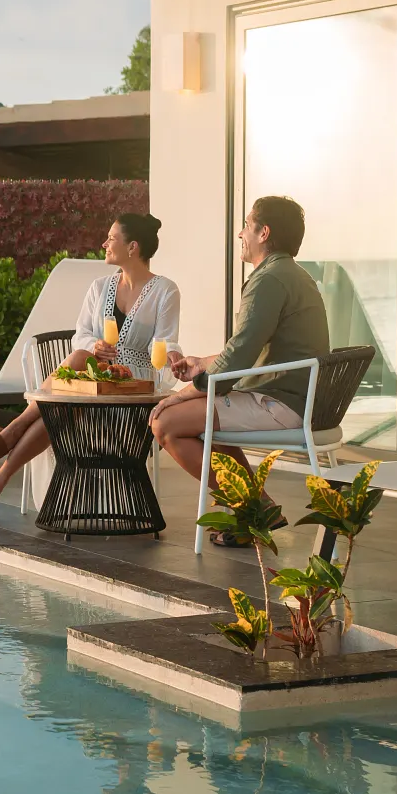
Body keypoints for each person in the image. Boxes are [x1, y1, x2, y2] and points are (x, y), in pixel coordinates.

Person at [0, 212, 180, 520]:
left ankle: (12, 437)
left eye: (111, 238)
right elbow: (81, 334)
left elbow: (166, 343)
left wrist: (172, 358)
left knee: (66, 396)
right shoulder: (98, 287)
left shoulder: (165, 291)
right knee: (69, 389)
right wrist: (95, 346)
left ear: (132, 247)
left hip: (133, 387)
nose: (104, 243)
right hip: (92, 383)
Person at [149, 195, 329, 544]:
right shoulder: (290, 274)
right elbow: (248, 349)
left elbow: (240, 356)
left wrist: (182, 394)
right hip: (290, 396)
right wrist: (202, 364)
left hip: (281, 403)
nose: (240, 233)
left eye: (246, 225)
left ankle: (254, 510)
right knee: (199, 418)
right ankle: (258, 508)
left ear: (263, 232)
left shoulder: (269, 280)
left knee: (165, 423)